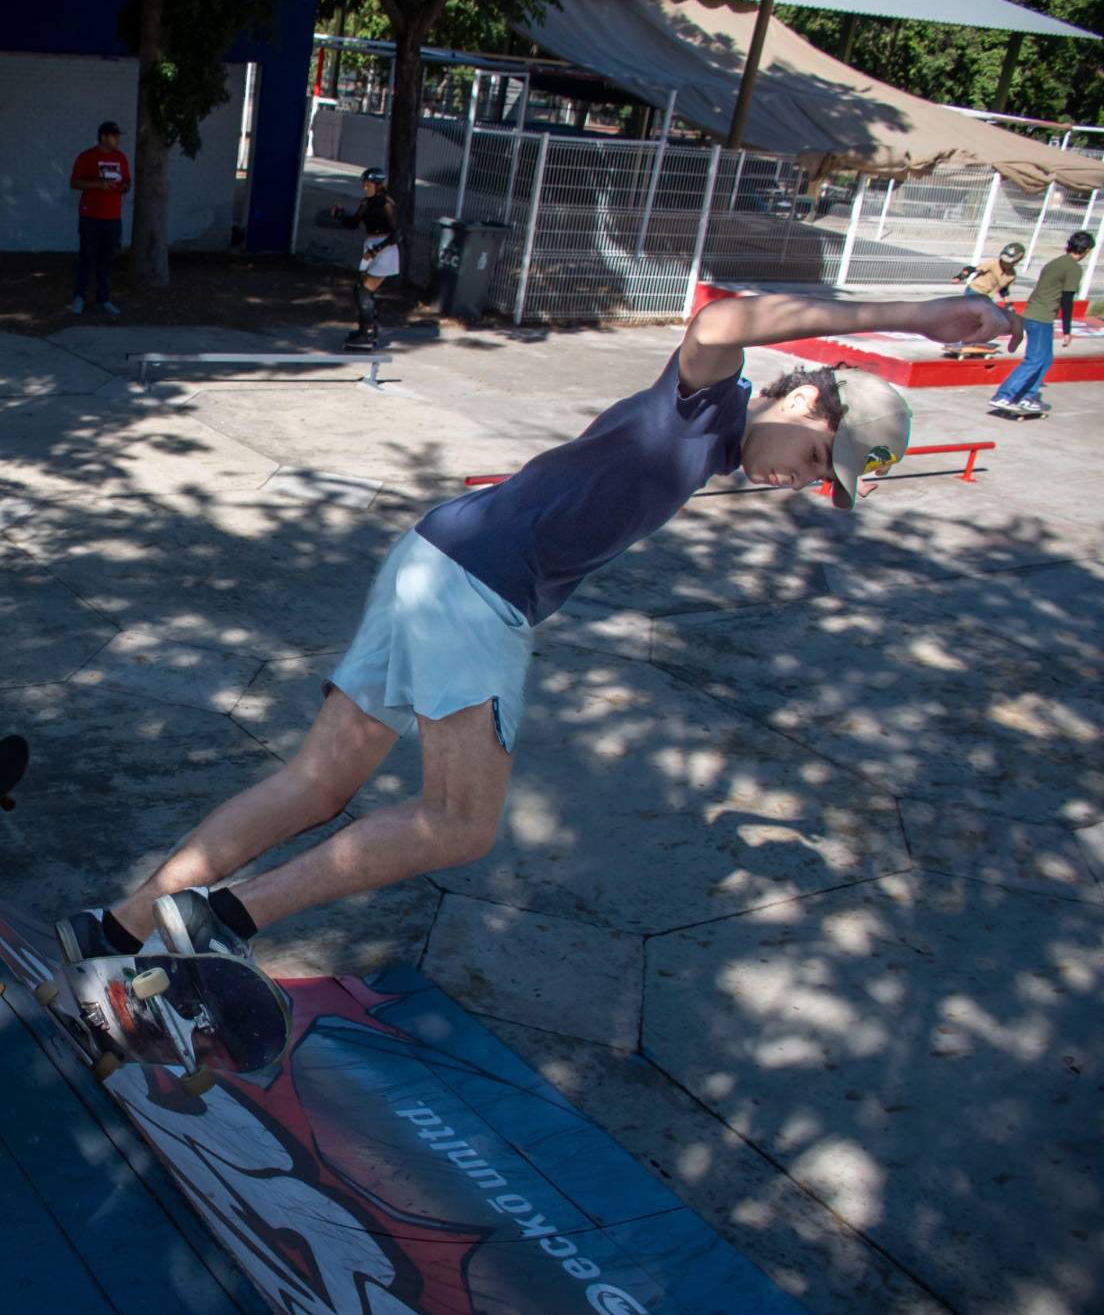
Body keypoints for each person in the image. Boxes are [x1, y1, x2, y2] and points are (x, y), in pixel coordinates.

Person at [53, 292, 1022, 965]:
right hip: (477, 587)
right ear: (807, 399)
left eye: (818, 480)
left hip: (434, 555)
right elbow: (720, 322)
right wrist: (913, 317)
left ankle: (114, 930)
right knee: (458, 822)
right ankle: (219, 920)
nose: (800, 481)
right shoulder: (702, 406)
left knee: (317, 782)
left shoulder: (711, 441)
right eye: (814, 458)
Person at [990, 230, 1093, 415]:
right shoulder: (1073, 268)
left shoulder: (1055, 262)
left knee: (1045, 359)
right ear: (1085, 250)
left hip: (1033, 314)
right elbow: (1067, 300)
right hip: (1041, 317)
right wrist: (1067, 331)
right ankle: (1004, 395)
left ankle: (1027, 397)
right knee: (1035, 359)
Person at [330, 167, 397, 351]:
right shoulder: (367, 203)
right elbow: (354, 223)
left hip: (385, 250)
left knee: (364, 291)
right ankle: (367, 330)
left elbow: (397, 235)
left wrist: (376, 251)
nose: (365, 188)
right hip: (371, 246)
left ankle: (367, 334)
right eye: (364, 185)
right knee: (361, 289)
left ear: (378, 185)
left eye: (368, 185)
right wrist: (340, 215)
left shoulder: (387, 204)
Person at [68, 120, 129, 316]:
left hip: (113, 217)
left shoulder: (121, 157)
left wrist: (125, 187)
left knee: (106, 260)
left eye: (118, 136)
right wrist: (98, 185)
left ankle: (103, 299)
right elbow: (74, 183)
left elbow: (127, 182)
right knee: (87, 258)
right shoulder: (87, 157)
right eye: (114, 135)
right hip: (90, 217)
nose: (118, 139)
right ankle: (79, 297)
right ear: (103, 136)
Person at [955, 242, 1024, 303]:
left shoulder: (1011, 275)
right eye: (1003, 260)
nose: (1004, 263)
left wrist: (1008, 303)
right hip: (974, 291)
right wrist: (960, 277)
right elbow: (971, 269)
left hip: (987, 297)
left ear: (1016, 261)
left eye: (1007, 262)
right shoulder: (993, 263)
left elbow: (1003, 289)